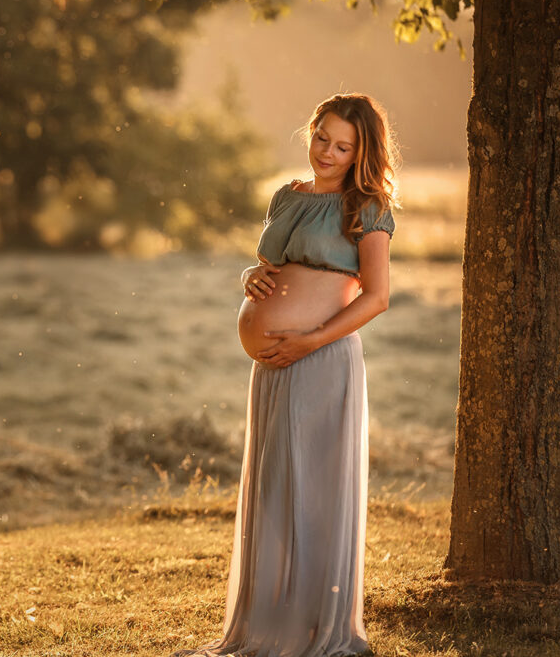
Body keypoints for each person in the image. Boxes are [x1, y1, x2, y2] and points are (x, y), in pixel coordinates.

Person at [170, 92, 397, 657]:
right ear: (311, 131)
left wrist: (311, 340)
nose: (327, 151)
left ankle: (316, 626)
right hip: (274, 367)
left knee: (312, 486)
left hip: (321, 358)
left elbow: (377, 297)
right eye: (322, 137)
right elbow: (279, 263)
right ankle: (268, 620)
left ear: (360, 151)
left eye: (343, 146)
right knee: (275, 486)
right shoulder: (286, 196)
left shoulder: (365, 207)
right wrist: (254, 275)